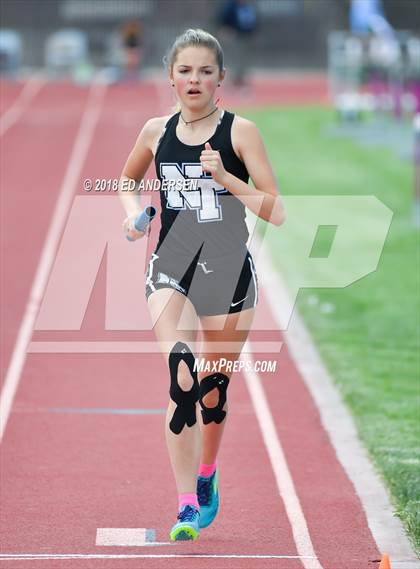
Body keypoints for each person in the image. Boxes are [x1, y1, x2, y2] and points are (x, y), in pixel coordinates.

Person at [118, 28, 284, 541]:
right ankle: (186, 503)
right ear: (170, 76)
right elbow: (127, 180)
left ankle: (207, 474)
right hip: (172, 269)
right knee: (181, 377)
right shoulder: (154, 131)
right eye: (185, 70)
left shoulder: (241, 132)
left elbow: (275, 210)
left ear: (221, 79)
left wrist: (227, 178)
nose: (195, 79)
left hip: (230, 275)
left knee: (212, 392)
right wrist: (132, 217)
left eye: (205, 71)